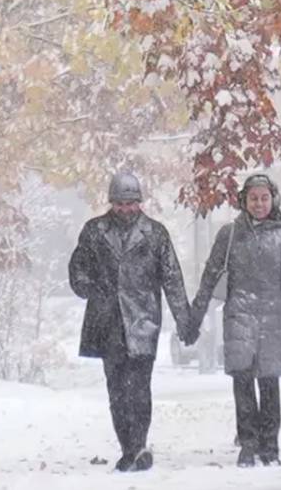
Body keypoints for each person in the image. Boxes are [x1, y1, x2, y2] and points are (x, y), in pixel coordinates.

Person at [68, 171, 194, 472]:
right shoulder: (94, 231)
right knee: (117, 391)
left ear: (139, 202)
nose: (126, 209)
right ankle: (129, 447)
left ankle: (137, 446)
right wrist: (90, 288)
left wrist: (184, 320)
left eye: (131, 203)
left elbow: (172, 279)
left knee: (139, 389)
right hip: (107, 322)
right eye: (120, 203)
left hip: (142, 321)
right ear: (111, 202)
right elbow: (77, 269)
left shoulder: (155, 233)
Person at [188, 173, 281, 467]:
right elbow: (210, 277)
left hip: (275, 319)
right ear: (244, 201)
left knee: (270, 386)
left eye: (264, 198)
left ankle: (270, 447)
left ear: (273, 200)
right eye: (253, 198)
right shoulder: (229, 235)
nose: (259, 204)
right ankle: (248, 444)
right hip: (239, 318)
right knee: (242, 384)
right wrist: (194, 315)